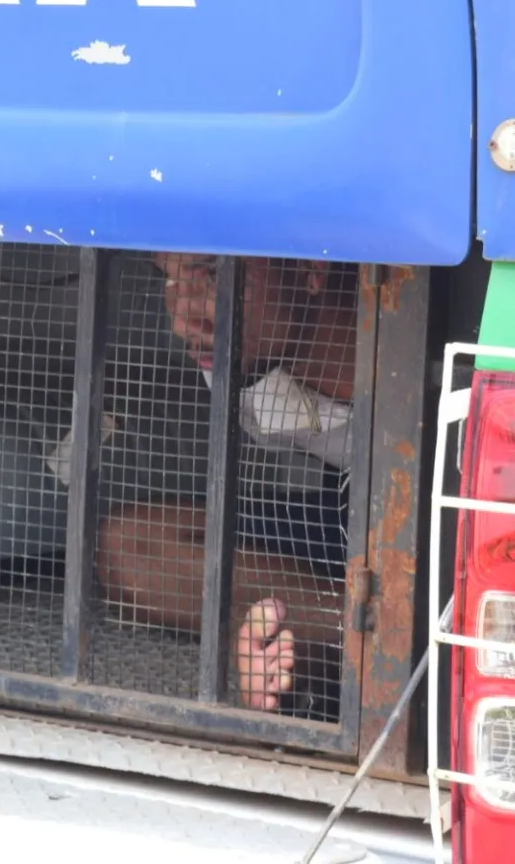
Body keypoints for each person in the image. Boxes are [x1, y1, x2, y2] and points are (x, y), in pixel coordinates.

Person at [95, 253, 362, 715]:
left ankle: (342, 635)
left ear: (311, 271)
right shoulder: (231, 362)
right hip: (345, 518)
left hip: (435, 534)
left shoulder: (420, 375)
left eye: (213, 274)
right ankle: (350, 631)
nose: (181, 320)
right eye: (169, 281)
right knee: (131, 548)